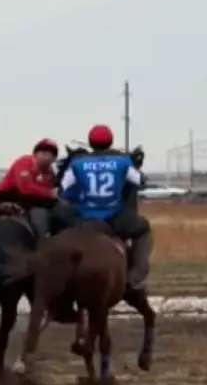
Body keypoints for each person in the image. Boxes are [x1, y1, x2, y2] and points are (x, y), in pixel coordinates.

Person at [55, 124, 153, 295]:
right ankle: (136, 277)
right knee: (143, 229)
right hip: (114, 217)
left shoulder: (77, 163)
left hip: (84, 218)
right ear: (110, 143)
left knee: (57, 224)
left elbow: (63, 189)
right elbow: (141, 181)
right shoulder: (123, 162)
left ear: (90, 143)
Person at [0, 139, 59, 237]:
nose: (46, 157)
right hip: (5, 197)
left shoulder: (50, 173)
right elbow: (25, 188)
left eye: (49, 155)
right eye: (42, 153)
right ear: (35, 154)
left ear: (54, 159)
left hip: (30, 202)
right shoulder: (24, 162)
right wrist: (50, 193)